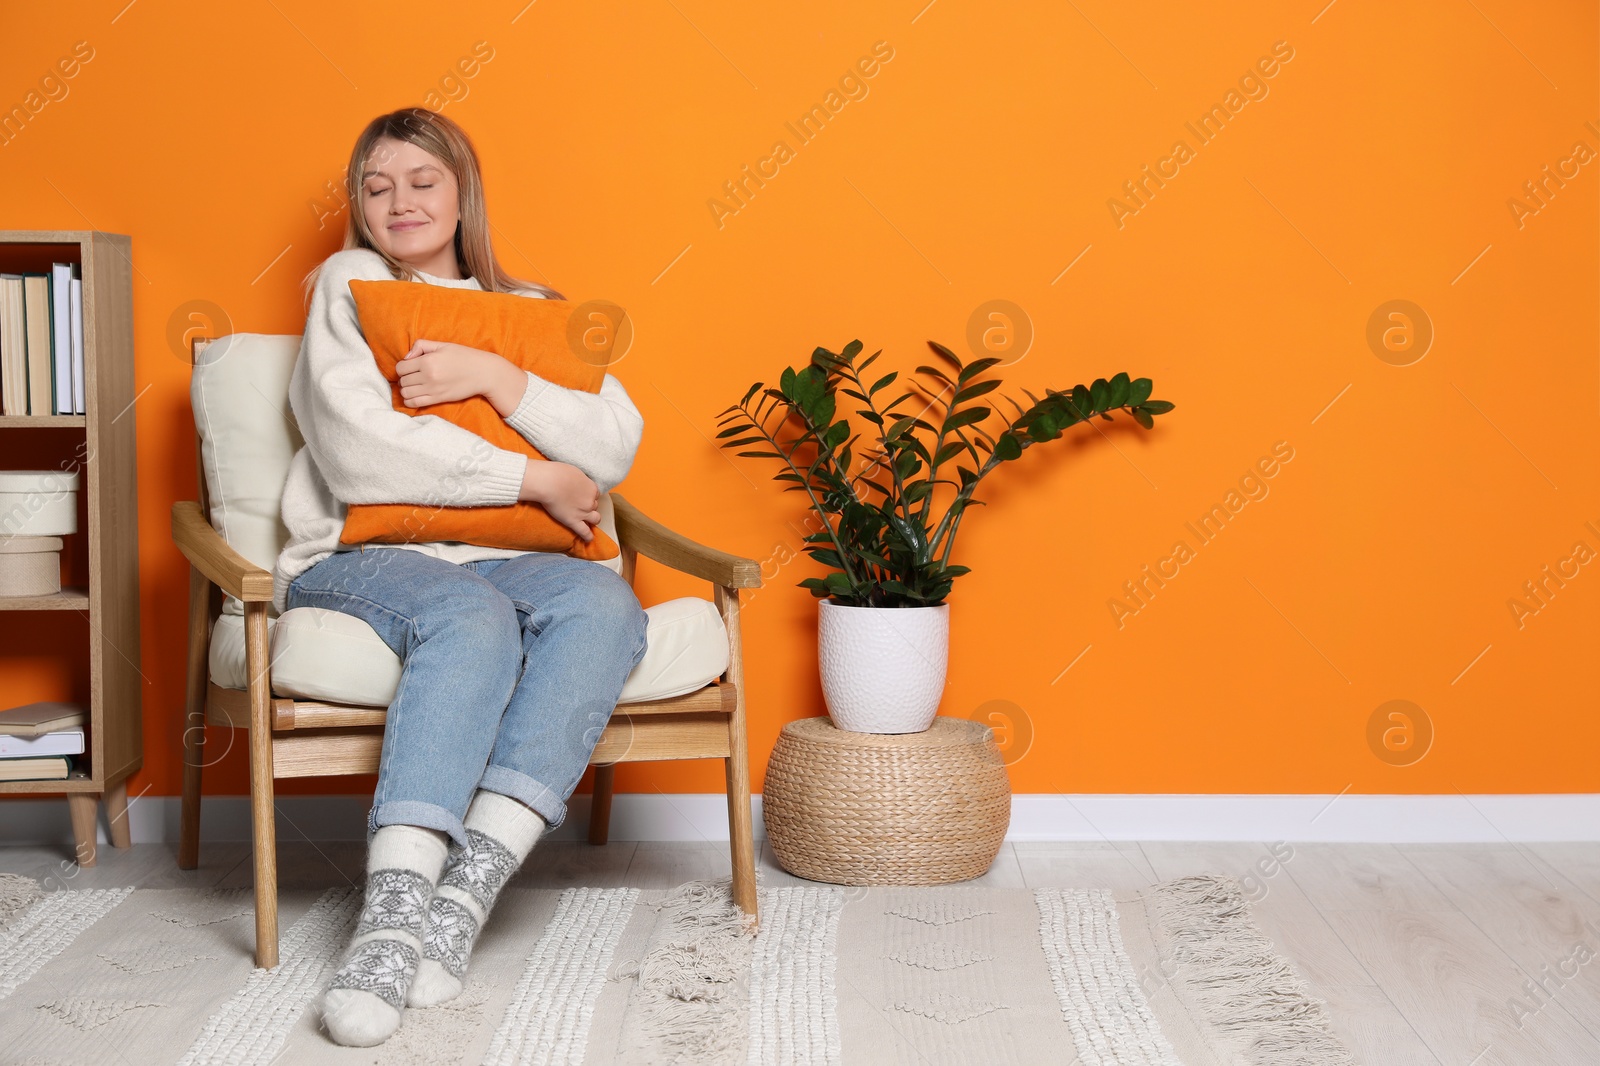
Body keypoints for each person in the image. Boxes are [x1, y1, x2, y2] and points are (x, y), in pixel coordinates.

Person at [272, 107, 648, 1047]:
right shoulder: (350, 284)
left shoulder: (526, 301)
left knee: (605, 605)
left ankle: (466, 891)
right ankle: (392, 919)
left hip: (519, 554)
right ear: (359, 204)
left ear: (463, 190)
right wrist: (531, 477)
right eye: (377, 184)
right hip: (367, 556)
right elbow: (358, 450)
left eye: (422, 180)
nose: (400, 201)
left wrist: (495, 372)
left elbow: (615, 444)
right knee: (471, 616)